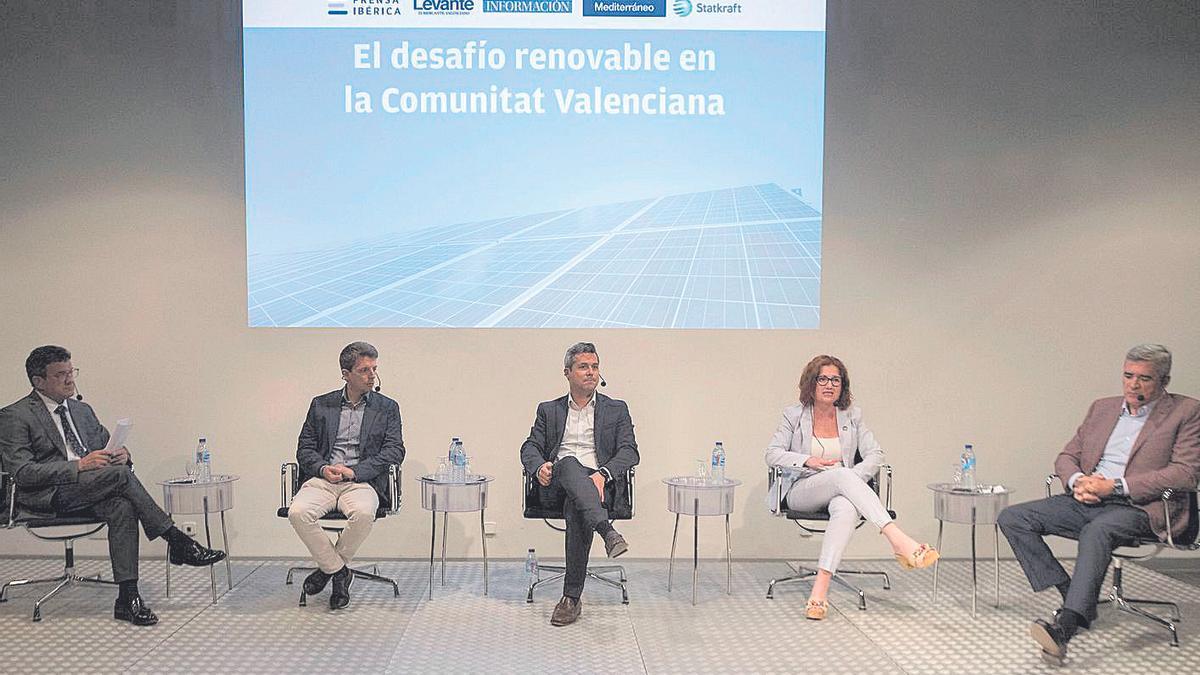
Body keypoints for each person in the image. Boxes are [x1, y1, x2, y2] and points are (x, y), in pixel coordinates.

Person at [998, 344, 1200, 665]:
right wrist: (1079, 481)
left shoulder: (1186, 412)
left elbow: (1186, 473)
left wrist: (1116, 486)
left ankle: (1066, 626)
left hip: (1141, 508)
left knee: (1098, 530)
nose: (1133, 385)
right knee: (1013, 517)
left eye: (1144, 379)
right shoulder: (1103, 408)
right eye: (1128, 375)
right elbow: (1067, 456)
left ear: (1165, 380)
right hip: (1089, 498)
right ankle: (1074, 595)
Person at [0, 345, 226, 626]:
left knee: (121, 505)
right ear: (38, 382)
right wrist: (79, 465)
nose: (71, 380)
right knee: (119, 478)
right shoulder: (15, 416)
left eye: (72, 372)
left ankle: (127, 598)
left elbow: (106, 447)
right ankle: (177, 541)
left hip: (92, 488)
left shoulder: (82, 411)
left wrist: (123, 454)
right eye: (61, 375)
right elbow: (23, 473)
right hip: (49, 495)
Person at [764, 354, 939, 620]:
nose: (829, 385)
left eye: (836, 380)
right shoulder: (794, 415)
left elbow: (876, 454)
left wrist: (852, 477)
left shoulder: (852, 416)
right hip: (801, 489)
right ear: (811, 384)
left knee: (846, 506)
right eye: (822, 378)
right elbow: (773, 454)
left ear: (842, 386)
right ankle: (899, 540)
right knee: (841, 478)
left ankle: (819, 592)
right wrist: (807, 460)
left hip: (841, 489)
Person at [520, 342, 639, 626]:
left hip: (600, 486)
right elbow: (529, 447)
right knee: (569, 463)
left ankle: (571, 598)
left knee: (578, 503)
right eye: (583, 367)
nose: (590, 373)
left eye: (595, 367)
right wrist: (539, 467)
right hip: (557, 484)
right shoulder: (549, 410)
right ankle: (607, 531)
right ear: (567, 372)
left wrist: (602, 474)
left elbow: (629, 451)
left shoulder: (616, 409)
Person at [288, 341, 405, 610]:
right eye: (364, 370)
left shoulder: (387, 408)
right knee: (298, 513)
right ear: (346, 373)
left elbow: (394, 451)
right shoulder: (321, 405)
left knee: (364, 514)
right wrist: (321, 469)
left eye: (374, 369)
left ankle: (329, 570)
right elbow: (304, 449)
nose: (372, 375)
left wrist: (354, 471)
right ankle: (340, 572)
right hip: (323, 479)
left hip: (361, 481)